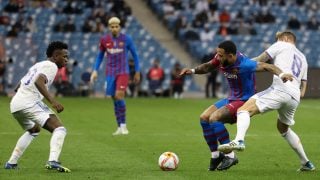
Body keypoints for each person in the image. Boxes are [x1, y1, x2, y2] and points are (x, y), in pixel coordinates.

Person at [179, 40, 293, 171]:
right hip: (231, 98)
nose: (218, 57)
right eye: (218, 54)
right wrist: (192, 71)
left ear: (231, 56)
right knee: (204, 118)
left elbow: (268, 66)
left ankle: (230, 155)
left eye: (221, 55)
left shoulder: (245, 64)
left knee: (214, 118)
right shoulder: (220, 58)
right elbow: (208, 66)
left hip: (244, 101)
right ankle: (216, 156)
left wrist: (282, 74)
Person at [218, 31, 316, 171]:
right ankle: (306, 163)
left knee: (243, 110)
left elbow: (260, 59)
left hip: (281, 89)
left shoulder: (282, 44)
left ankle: (239, 140)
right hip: (294, 96)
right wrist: (299, 94)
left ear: (287, 38)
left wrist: (239, 67)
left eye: (279, 37)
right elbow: (304, 83)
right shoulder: (302, 56)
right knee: (283, 129)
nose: (276, 39)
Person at [4, 41, 70, 172]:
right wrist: (53, 101)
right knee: (60, 128)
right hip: (29, 102)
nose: (66, 60)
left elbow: (19, 86)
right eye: (64, 56)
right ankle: (53, 161)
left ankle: (11, 163)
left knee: (34, 130)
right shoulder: (51, 66)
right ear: (56, 56)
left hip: (16, 104)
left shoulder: (38, 65)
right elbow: (38, 81)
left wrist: (23, 96)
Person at [90, 17, 140, 135]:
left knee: (119, 96)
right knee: (114, 98)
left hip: (123, 72)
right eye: (112, 27)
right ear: (109, 28)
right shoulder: (104, 40)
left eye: (116, 26)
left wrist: (137, 71)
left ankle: (124, 126)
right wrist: (95, 70)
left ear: (120, 27)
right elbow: (100, 56)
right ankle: (119, 126)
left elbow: (135, 56)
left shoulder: (127, 39)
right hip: (110, 73)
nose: (114, 28)